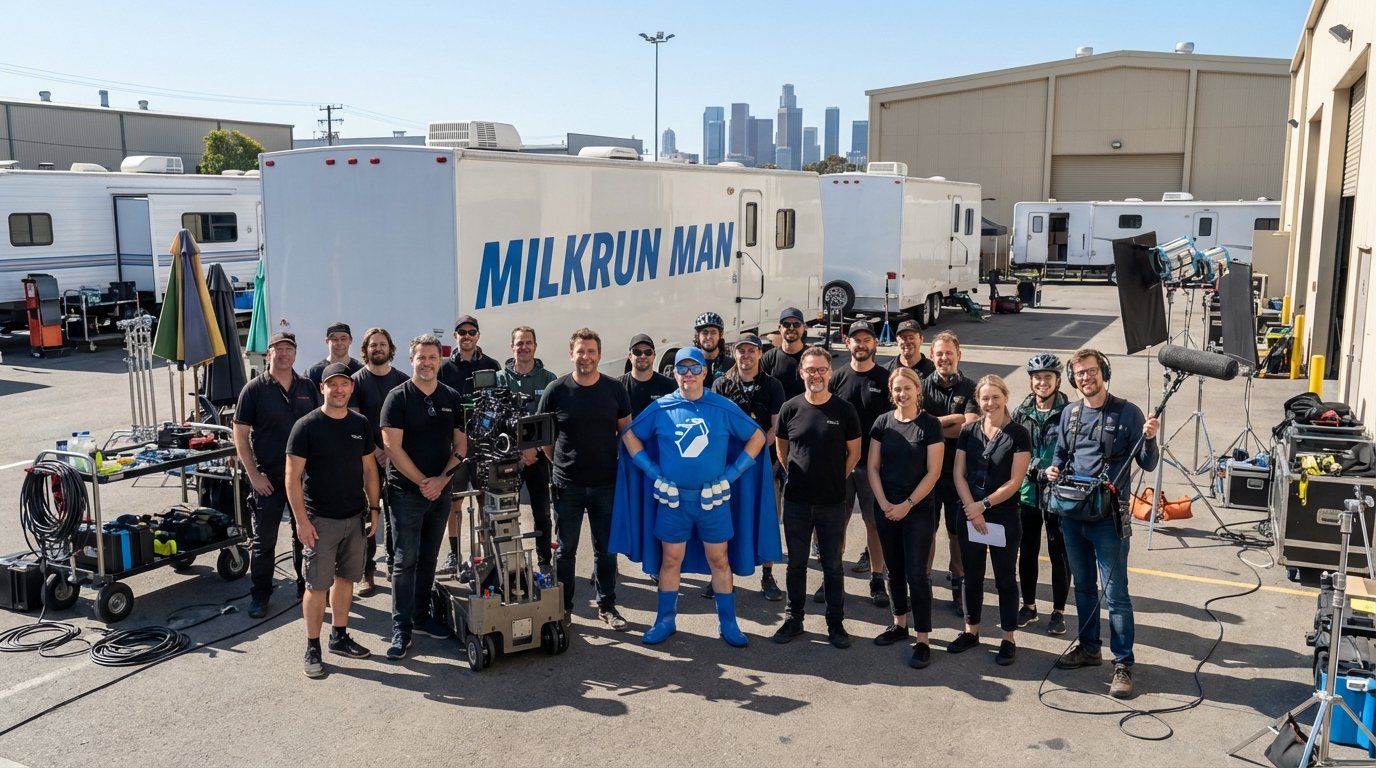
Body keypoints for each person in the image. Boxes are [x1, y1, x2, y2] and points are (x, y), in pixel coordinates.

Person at [615, 347, 779, 647]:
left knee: (720, 560)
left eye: (694, 368)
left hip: (713, 502)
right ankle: (665, 620)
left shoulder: (722, 407)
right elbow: (629, 435)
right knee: (670, 560)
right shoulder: (662, 407)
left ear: (705, 371)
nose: (688, 374)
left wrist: (730, 476)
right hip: (673, 502)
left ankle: (728, 622)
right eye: (682, 368)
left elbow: (757, 436)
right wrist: (654, 472)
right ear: (674, 373)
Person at [1047, 348, 1159, 699]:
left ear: (1104, 372)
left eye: (1091, 371)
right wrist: (1053, 470)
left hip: (1108, 520)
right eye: (1080, 373)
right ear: (1073, 378)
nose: (1086, 377)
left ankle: (1123, 663)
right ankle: (1089, 647)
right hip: (1072, 516)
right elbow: (1061, 455)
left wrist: (1150, 437)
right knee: (1083, 587)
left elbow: (1148, 463)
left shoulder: (1128, 413)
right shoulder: (1070, 414)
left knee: (1116, 595)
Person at [285, 363, 381, 678]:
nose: (339, 390)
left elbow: (370, 470)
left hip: (354, 518)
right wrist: (302, 521)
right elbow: (292, 478)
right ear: (322, 388)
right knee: (316, 586)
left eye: (344, 384)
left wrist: (375, 509)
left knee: (346, 580)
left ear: (351, 388)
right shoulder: (306, 426)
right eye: (332, 384)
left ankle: (339, 636)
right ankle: (312, 647)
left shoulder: (360, 424)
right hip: (319, 522)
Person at [379, 334, 469, 660]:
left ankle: (420, 617)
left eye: (433, 357)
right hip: (406, 493)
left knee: (429, 558)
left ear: (439, 361)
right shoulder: (397, 398)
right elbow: (391, 447)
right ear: (411, 359)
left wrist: (441, 480)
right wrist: (423, 482)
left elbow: (461, 445)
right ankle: (400, 630)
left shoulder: (451, 397)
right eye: (422, 357)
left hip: (440, 492)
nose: (427, 363)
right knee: (405, 561)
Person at [537, 328, 633, 630]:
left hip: (606, 483)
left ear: (599, 355)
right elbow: (544, 439)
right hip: (568, 485)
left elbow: (626, 433)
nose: (586, 357)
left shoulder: (614, 390)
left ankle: (607, 606)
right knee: (566, 551)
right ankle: (564, 609)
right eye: (580, 351)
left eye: (591, 351)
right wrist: (560, 464)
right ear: (571, 354)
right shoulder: (556, 390)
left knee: (606, 549)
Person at [773, 345, 862, 649]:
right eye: (810, 370)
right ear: (802, 373)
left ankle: (835, 624)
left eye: (822, 370)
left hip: (832, 503)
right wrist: (794, 474)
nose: (816, 375)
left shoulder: (844, 410)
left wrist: (837, 477)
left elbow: (854, 453)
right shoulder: (790, 408)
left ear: (830, 372)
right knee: (796, 564)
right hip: (796, 501)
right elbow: (782, 449)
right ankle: (794, 619)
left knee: (832, 566)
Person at [233, 331, 319, 619]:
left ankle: (305, 587)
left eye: (288, 349)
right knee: (264, 541)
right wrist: (254, 475)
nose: (283, 354)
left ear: (295, 354)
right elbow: (240, 435)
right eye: (278, 349)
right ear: (268, 354)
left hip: (303, 477)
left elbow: (319, 426)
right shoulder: (254, 390)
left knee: (304, 535)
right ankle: (260, 595)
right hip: (268, 478)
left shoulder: (307, 386)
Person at [951, 375, 1032, 666]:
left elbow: (1015, 481)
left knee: (1005, 579)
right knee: (971, 576)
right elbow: (958, 473)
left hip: (1003, 515)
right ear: (978, 400)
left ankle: (1008, 638)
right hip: (969, 513)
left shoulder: (1019, 434)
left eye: (995, 397)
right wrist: (971, 508)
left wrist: (983, 505)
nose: (990, 403)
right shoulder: (969, 431)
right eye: (985, 398)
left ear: (1005, 397)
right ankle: (971, 631)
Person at [866, 366, 944, 668]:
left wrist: (907, 504)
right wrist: (885, 502)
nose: (902, 394)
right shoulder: (882, 422)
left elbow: (933, 472)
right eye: (897, 389)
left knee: (917, 574)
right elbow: (873, 467)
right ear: (891, 392)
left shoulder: (930, 425)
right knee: (894, 570)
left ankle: (923, 639)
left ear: (917, 390)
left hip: (918, 509)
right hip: (886, 507)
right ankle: (899, 624)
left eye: (907, 388)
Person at [711, 333, 786, 602]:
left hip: (762, 463)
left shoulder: (773, 385)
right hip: (728, 465)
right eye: (741, 351)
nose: (746, 355)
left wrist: (754, 449)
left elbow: (776, 426)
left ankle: (767, 575)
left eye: (751, 350)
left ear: (760, 353)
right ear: (735, 353)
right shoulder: (721, 384)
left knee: (765, 518)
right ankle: (721, 575)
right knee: (724, 519)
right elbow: (715, 423)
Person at [829, 319, 892, 607]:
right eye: (857, 339)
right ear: (848, 343)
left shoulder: (885, 379)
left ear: (875, 343)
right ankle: (833, 578)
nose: (862, 344)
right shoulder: (837, 378)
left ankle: (877, 579)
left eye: (867, 339)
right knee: (837, 523)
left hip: (873, 467)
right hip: (839, 466)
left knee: (874, 524)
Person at [437, 314, 501, 578]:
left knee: (485, 499)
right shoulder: (444, 369)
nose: (466, 336)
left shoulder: (491, 365)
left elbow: (499, 404)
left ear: (478, 335)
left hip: (485, 443)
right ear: (455, 336)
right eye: (461, 332)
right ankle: (455, 554)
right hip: (455, 445)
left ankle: (487, 554)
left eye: (471, 332)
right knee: (455, 501)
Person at [1012, 353, 1072, 635]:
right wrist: (1035, 468)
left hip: (1059, 493)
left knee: (1059, 553)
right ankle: (1029, 606)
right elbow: (1015, 450)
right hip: (1028, 491)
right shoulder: (1021, 412)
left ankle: (1058, 612)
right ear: (1031, 381)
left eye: (1048, 377)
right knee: (1027, 551)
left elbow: (1075, 451)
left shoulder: (1070, 413)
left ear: (1058, 381)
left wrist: (1055, 470)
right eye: (1037, 378)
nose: (1042, 382)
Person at [921, 331, 980, 615]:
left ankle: (958, 586)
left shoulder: (971, 388)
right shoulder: (920, 387)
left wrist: (932, 424)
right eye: (939, 353)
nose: (944, 358)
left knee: (957, 534)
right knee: (926, 532)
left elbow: (968, 427)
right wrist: (951, 420)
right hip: (926, 474)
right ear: (932, 356)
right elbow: (915, 426)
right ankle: (925, 584)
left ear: (959, 355)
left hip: (959, 476)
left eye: (949, 353)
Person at [349, 327, 409, 596]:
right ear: (365, 350)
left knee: (397, 514)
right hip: (367, 459)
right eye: (373, 345)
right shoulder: (356, 382)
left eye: (382, 344)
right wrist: (376, 451)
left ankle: (397, 567)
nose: (378, 348)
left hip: (398, 458)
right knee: (368, 514)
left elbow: (409, 421)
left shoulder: (403, 381)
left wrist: (393, 452)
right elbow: (355, 421)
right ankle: (367, 572)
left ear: (390, 348)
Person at [496, 325, 557, 573]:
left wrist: (535, 451)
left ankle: (544, 560)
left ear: (535, 346)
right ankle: (509, 561)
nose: (524, 347)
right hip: (509, 457)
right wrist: (519, 452)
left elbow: (553, 420)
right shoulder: (500, 379)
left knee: (542, 511)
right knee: (506, 512)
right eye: (519, 343)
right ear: (512, 347)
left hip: (539, 457)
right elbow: (495, 420)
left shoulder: (549, 379)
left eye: (528, 342)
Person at [620, 333, 676, 418]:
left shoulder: (669, 386)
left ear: (654, 355)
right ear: (630, 355)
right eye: (637, 352)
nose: (643, 356)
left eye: (648, 352)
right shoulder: (618, 387)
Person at [762, 307, 808, 400]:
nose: (791, 328)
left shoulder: (813, 357)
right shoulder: (769, 357)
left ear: (804, 328)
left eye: (796, 324)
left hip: (802, 408)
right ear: (779, 328)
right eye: (786, 324)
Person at [305, 322, 364, 387]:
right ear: (327, 341)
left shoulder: (361, 371)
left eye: (343, 339)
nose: (339, 343)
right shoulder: (314, 373)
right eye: (335, 339)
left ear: (350, 340)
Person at [693, 311, 735, 387]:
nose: (709, 337)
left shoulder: (731, 364)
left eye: (713, 332)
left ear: (720, 335)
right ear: (697, 336)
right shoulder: (691, 364)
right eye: (705, 333)